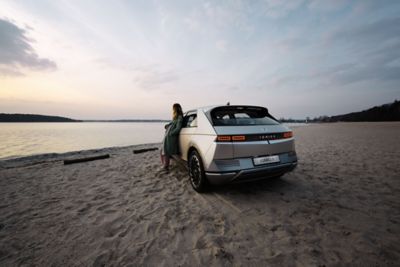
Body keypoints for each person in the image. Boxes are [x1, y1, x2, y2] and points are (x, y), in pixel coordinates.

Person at [161, 103, 183, 172]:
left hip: (171, 137)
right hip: (168, 137)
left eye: (173, 108)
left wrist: (171, 133)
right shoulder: (175, 117)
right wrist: (167, 125)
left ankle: (166, 167)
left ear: (175, 109)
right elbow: (172, 124)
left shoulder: (179, 117)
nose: (173, 110)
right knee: (163, 151)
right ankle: (165, 165)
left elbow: (178, 128)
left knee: (167, 152)